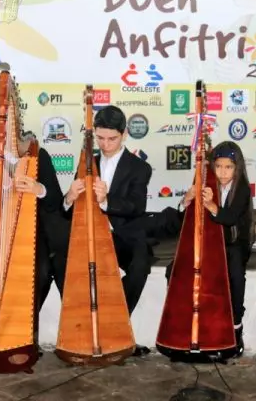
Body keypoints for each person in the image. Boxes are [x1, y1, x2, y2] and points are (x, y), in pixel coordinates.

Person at [63, 105, 152, 357]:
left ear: (124, 134)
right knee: (63, 261)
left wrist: (106, 201)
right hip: (90, 235)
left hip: (123, 235)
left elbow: (136, 206)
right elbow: (69, 211)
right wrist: (69, 197)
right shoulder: (86, 162)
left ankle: (116, 327)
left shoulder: (140, 168)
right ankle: (76, 332)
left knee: (140, 264)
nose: (105, 144)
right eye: (100, 138)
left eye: (112, 138)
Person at [0, 99, 69, 321]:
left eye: (10, 124)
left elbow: (55, 200)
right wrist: (1, 185)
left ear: (17, 125)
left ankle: (26, 327)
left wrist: (39, 189)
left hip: (36, 233)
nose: (5, 130)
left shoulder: (38, 156)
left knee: (41, 274)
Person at [166, 141, 253, 357]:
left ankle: (236, 327)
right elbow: (182, 219)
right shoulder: (205, 182)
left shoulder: (242, 188)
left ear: (237, 168)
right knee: (174, 269)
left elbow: (230, 218)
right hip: (208, 242)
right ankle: (183, 325)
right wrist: (187, 200)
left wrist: (212, 205)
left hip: (233, 243)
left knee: (234, 274)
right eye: (219, 166)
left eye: (228, 167)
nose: (223, 172)